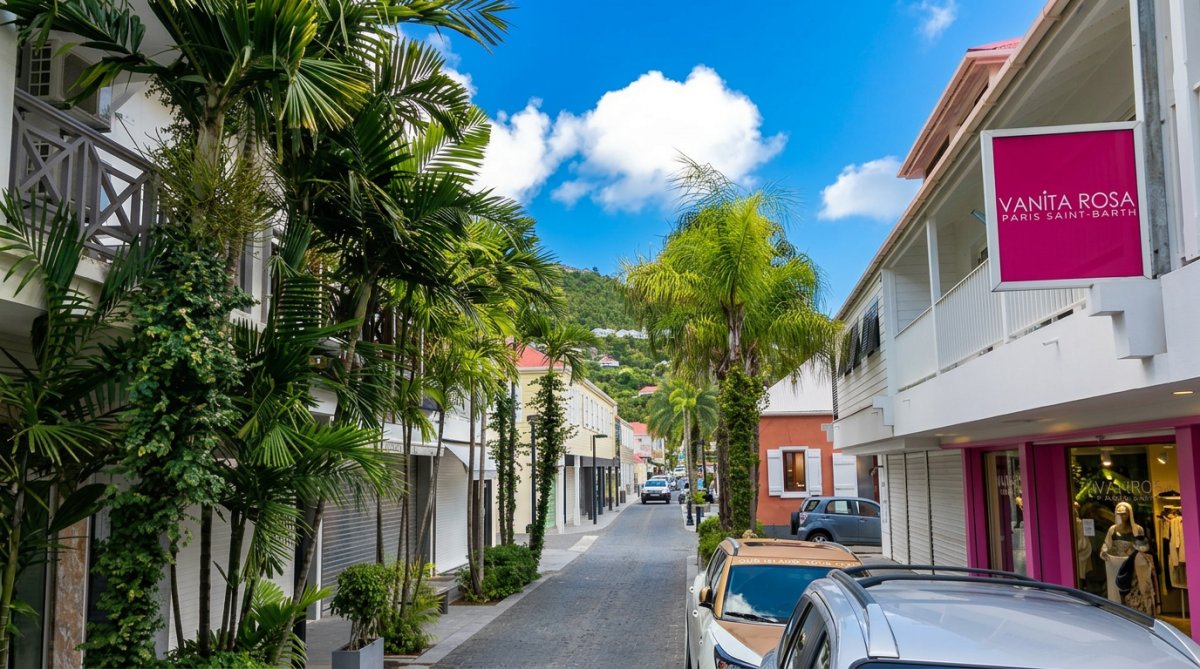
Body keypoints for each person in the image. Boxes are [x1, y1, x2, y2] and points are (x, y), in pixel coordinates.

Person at [1100, 501, 1144, 602]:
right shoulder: (1113, 529)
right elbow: (1107, 543)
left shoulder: (1137, 529)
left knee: (1132, 587)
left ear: (1130, 513)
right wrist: (1104, 551)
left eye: (1124, 513)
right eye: (1119, 513)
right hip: (1114, 563)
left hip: (1131, 563)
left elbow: (1142, 547)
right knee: (1115, 588)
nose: (1122, 516)